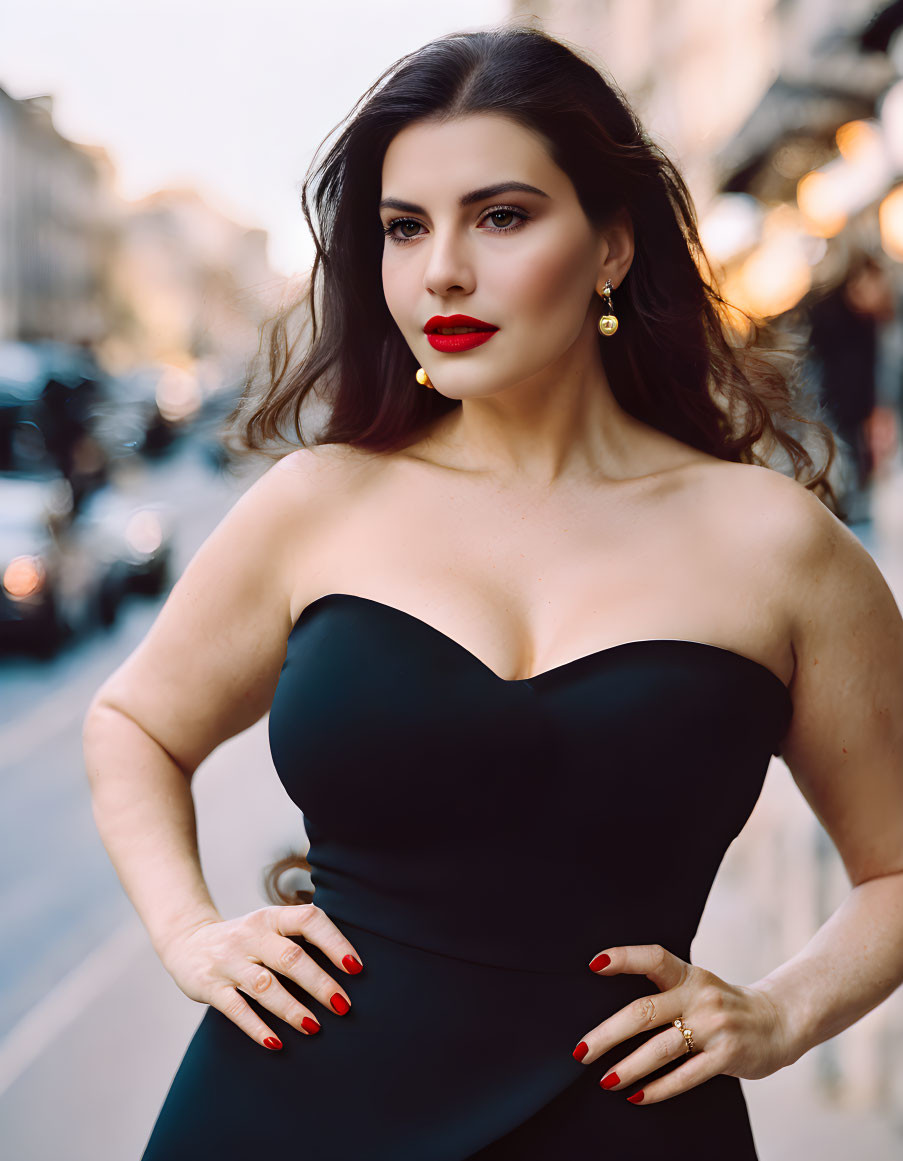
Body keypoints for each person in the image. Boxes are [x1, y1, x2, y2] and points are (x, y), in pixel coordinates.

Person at [82, 25, 903, 1161]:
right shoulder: (318, 504)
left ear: (613, 244)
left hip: (629, 1129)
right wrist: (189, 935)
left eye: (501, 216)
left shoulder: (781, 548)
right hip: (284, 1114)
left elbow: (896, 867)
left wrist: (783, 1012)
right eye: (404, 228)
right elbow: (131, 722)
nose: (442, 272)